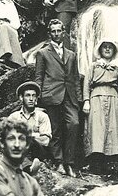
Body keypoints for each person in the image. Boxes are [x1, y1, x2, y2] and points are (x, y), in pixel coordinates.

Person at [35, 19, 83, 177]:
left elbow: (76, 79)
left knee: (73, 124)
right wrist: (38, 97)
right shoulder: (43, 53)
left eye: (59, 31)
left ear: (64, 32)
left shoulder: (72, 55)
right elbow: (39, 77)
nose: (56, 34)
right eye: (53, 31)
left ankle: (69, 163)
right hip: (52, 94)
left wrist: (80, 99)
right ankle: (59, 162)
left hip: (69, 95)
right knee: (55, 129)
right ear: (50, 34)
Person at [83, 40, 118, 168]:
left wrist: (112, 95)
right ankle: (96, 163)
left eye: (110, 48)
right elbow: (86, 84)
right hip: (96, 97)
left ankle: (110, 164)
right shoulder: (93, 67)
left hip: (113, 99)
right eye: (105, 47)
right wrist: (86, 101)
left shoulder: (117, 70)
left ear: (113, 51)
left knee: (112, 129)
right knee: (97, 129)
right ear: (100, 50)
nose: (107, 49)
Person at [5, 81, 52, 174]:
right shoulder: (13, 117)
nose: (31, 99)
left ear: (36, 99)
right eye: (27, 95)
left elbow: (45, 141)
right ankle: (29, 168)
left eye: (34, 96)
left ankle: (28, 165)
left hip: (37, 151)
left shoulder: (42, 116)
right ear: (21, 98)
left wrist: (28, 137)